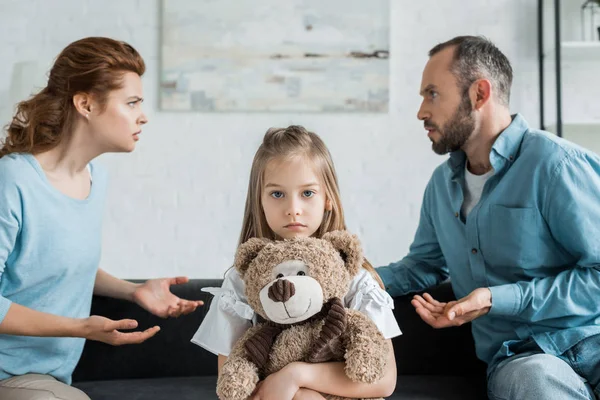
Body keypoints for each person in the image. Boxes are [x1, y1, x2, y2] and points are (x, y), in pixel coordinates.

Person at [376, 35, 600, 400]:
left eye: (432, 94)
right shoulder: (441, 187)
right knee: (534, 381)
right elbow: (425, 266)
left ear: (479, 94)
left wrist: (496, 298)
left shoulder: (556, 165)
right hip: (524, 359)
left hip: (592, 340)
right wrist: (354, 277)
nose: (420, 111)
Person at [0, 37, 203, 400]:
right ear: (86, 104)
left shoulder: (95, 179)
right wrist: (81, 327)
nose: (143, 115)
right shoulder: (14, 179)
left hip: (49, 378)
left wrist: (133, 290)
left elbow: (50, 264)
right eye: (131, 103)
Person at [192, 125, 400, 400]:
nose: (293, 208)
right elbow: (232, 385)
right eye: (277, 194)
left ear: (328, 199)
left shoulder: (355, 278)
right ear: (260, 200)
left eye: (307, 193)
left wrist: (295, 376)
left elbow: (384, 380)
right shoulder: (241, 282)